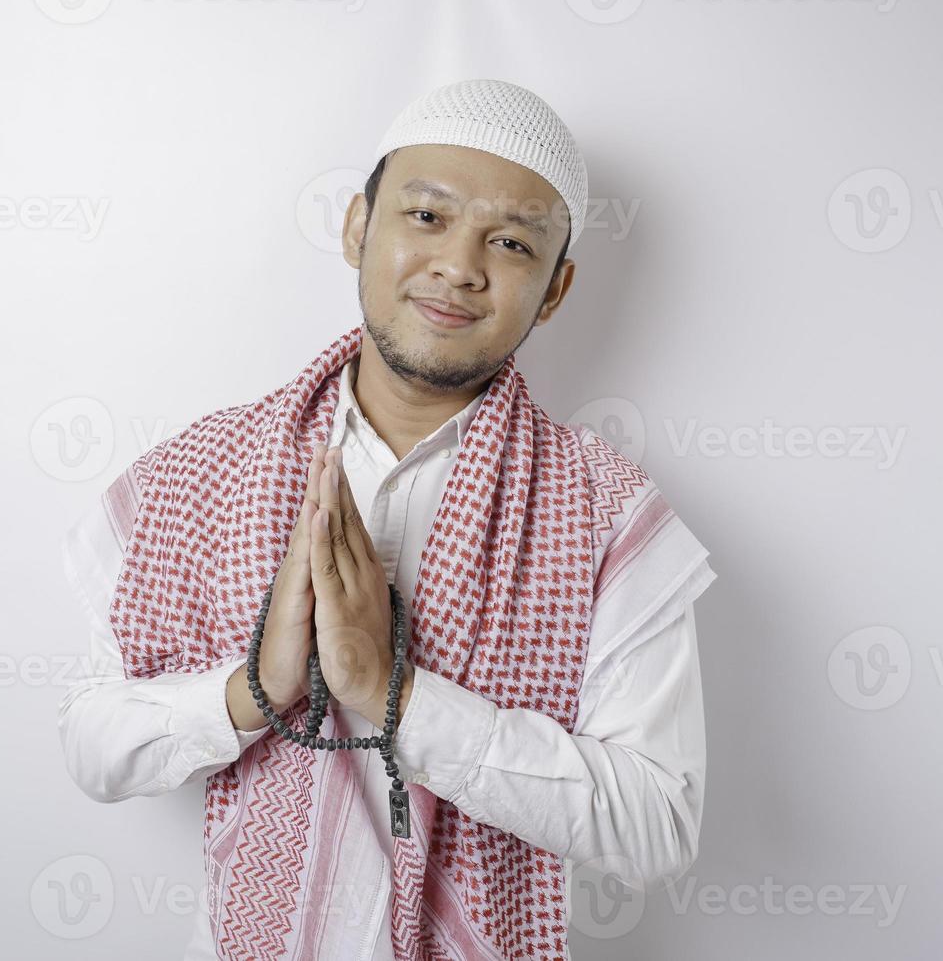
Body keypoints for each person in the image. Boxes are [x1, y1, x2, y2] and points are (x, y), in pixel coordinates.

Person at [57, 77, 716, 960]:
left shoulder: (604, 514)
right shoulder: (202, 471)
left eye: (511, 242)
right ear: (358, 228)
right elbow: (94, 749)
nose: (459, 267)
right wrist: (254, 690)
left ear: (555, 290)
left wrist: (397, 697)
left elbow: (656, 824)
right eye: (428, 217)